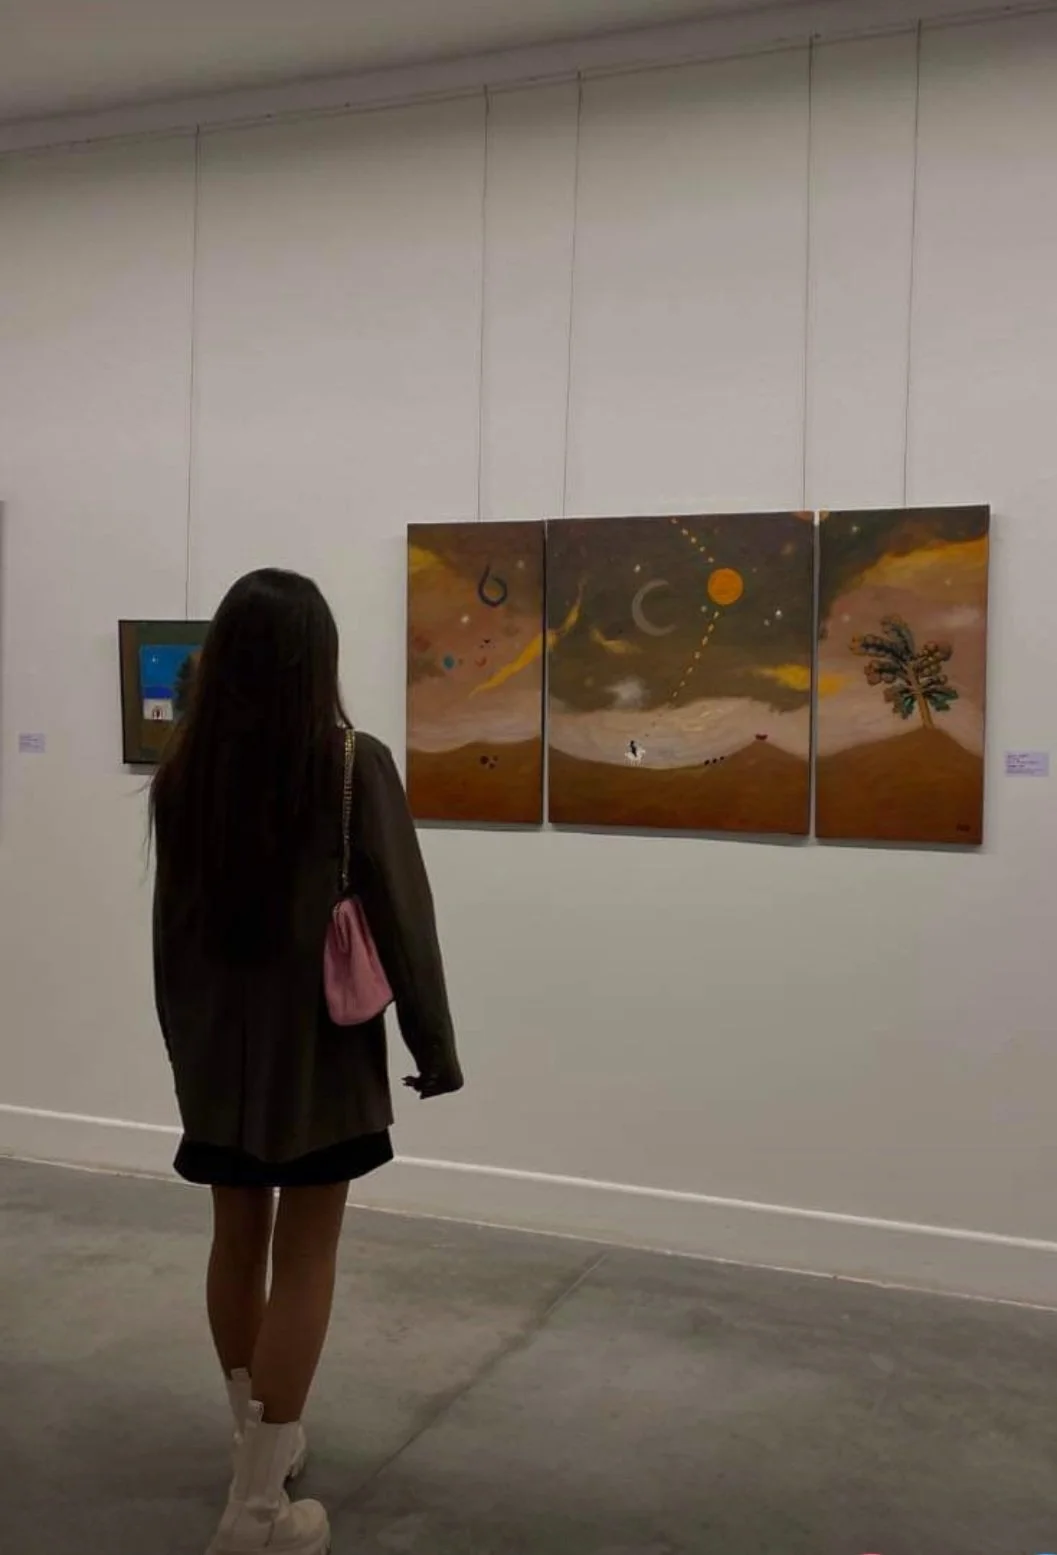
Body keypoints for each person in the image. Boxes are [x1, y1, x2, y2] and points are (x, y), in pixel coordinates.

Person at [150, 568, 463, 1555]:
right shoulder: (347, 763)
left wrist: (188, 1057)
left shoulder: (184, 772)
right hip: (320, 1053)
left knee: (236, 1239)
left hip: (218, 1061)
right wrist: (434, 1047)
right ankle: (254, 1510)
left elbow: (170, 940)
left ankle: (260, 1447)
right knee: (309, 1250)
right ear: (315, 660)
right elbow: (404, 916)